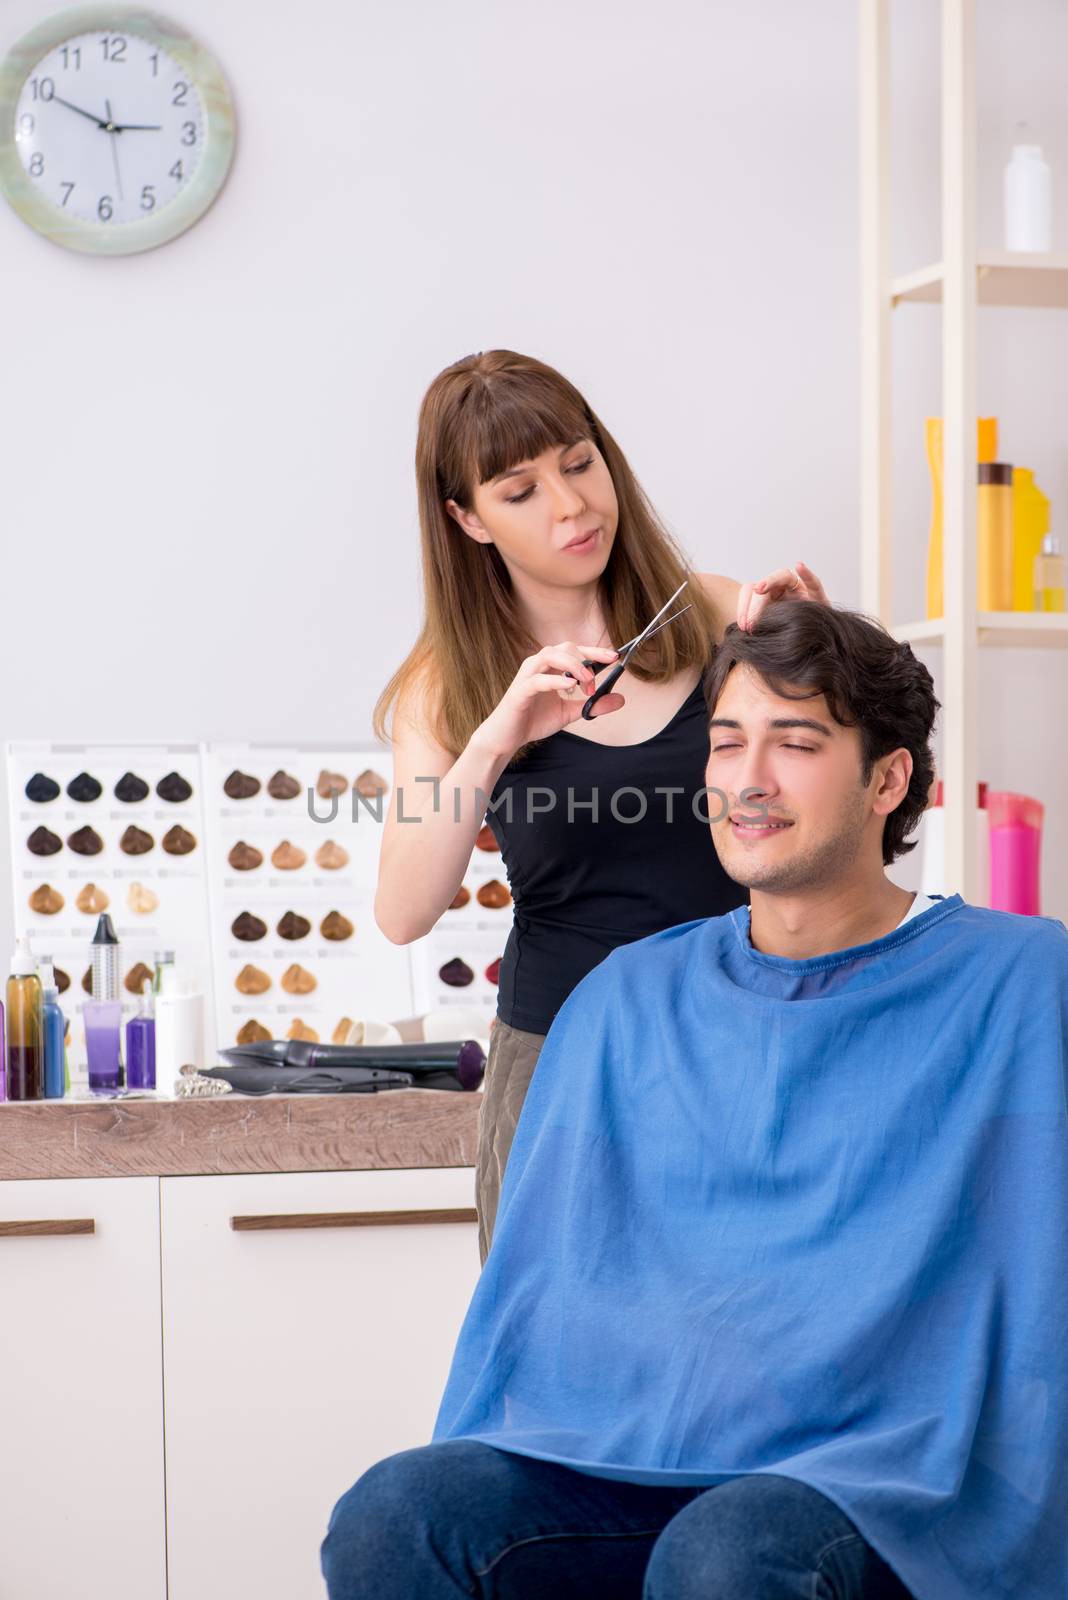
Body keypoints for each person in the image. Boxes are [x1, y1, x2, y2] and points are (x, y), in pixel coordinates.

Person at [325, 600, 1068, 1600]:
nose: (748, 779)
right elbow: (549, 1300)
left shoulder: (1022, 984)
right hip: (633, 1454)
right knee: (392, 1518)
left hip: (886, 1474)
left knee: (724, 1554)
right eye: (726, 743)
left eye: (795, 743)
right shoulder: (627, 998)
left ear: (887, 780)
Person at [372, 348, 828, 1260]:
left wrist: (824, 660)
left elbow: (836, 811)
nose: (573, 506)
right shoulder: (446, 687)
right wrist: (497, 736)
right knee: (570, 1378)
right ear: (467, 519)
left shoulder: (710, 613)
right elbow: (403, 912)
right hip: (562, 1067)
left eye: (579, 464)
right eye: (520, 489)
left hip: (750, 1041)